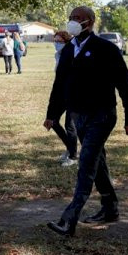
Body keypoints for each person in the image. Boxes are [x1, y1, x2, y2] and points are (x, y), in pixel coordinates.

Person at [44, 6, 128, 236]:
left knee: (86, 164)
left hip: (102, 115)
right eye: (71, 18)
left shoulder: (105, 49)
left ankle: (69, 218)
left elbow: (125, 84)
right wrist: (52, 114)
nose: (73, 22)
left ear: (90, 22)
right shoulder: (68, 51)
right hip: (79, 117)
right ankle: (110, 208)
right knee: (98, 161)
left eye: (78, 18)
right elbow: (60, 86)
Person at [49, 31, 78, 167]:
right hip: (61, 94)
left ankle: (73, 156)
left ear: (66, 42)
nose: (57, 44)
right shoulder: (58, 55)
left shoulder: (72, 53)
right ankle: (70, 148)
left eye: (59, 41)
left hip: (73, 95)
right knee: (53, 121)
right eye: (55, 41)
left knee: (70, 126)